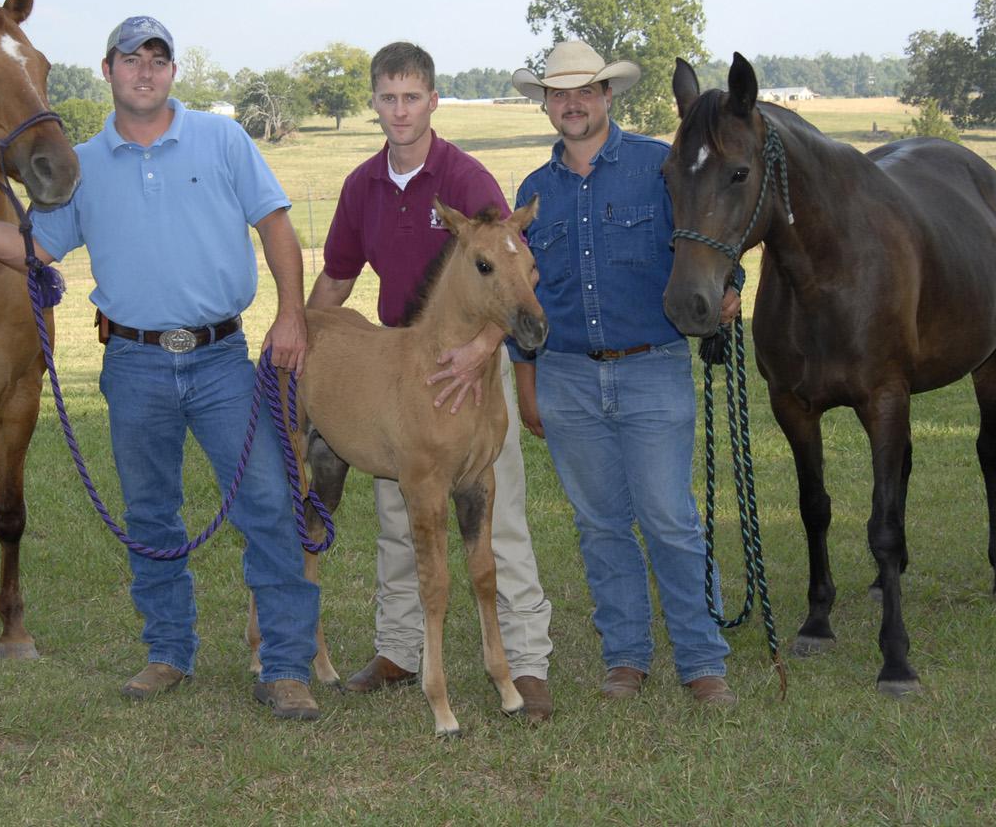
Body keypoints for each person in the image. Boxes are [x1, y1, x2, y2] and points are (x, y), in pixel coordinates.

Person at [0, 16, 322, 720]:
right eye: (131, 59)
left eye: (158, 59)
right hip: (135, 365)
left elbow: (276, 229)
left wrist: (291, 315)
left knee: (266, 503)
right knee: (150, 514)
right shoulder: (82, 165)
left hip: (223, 360)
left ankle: (287, 664)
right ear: (108, 70)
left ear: (172, 71)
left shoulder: (223, 139)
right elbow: (32, 252)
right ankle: (169, 651)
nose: (145, 71)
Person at [307, 41, 555, 721]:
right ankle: (399, 649)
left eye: (411, 97)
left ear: (433, 101)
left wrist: (483, 348)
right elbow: (337, 275)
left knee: (494, 520)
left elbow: (508, 267)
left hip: (473, 366)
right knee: (401, 519)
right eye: (387, 97)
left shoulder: (466, 177)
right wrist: (301, 337)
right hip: (399, 369)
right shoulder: (364, 185)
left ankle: (526, 661)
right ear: (375, 103)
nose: (399, 110)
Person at [507, 40, 738, 706]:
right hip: (567, 376)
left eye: (585, 90)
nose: (572, 103)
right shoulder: (534, 192)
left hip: (652, 370)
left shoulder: (658, 168)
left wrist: (730, 285)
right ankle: (626, 659)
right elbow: (525, 300)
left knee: (669, 518)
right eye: (559, 93)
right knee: (600, 524)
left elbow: (710, 235)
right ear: (547, 103)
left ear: (609, 96)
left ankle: (702, 662)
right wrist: (528, 383)